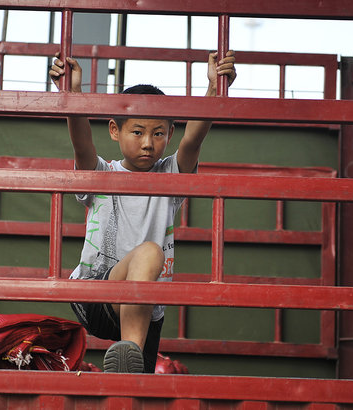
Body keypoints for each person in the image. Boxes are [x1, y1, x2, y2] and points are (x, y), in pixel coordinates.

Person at [49, 50, 236, 373]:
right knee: (149, 252)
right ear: (114, 130)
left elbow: (194, 140)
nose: (148, 143)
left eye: (158, 133)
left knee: (138, 387)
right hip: (97, 294)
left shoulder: (170, 176)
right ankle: (130, 352)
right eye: (137, 132)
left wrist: (214, 88)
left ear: (169, 134)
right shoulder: (102, 173)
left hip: (146, 307)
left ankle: (128, 358)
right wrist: (72, 94)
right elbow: (81, 143)